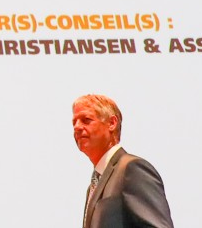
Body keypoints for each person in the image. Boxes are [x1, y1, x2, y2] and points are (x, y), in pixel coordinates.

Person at [72, 95, 173, 228]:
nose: (77, 127)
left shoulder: (132, 169)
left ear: (112, 123)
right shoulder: (93, 186)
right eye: (74, 122)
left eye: (86, 120)